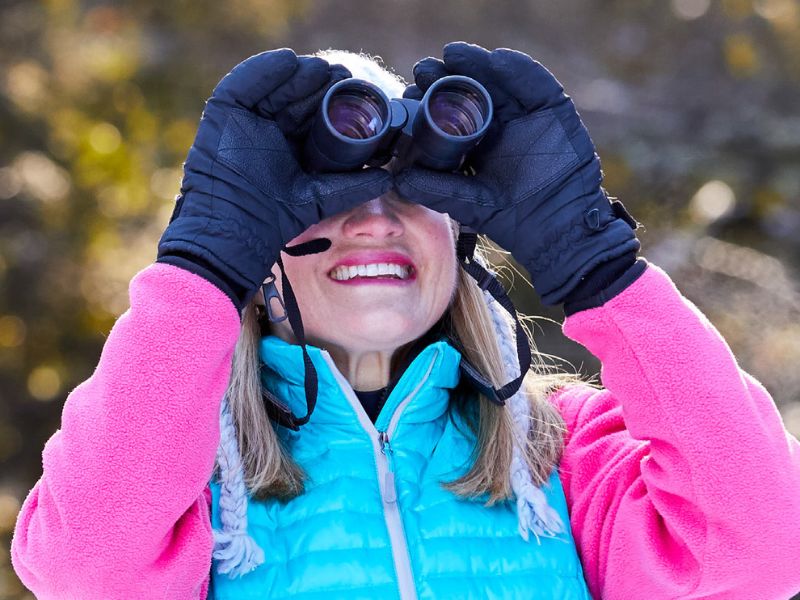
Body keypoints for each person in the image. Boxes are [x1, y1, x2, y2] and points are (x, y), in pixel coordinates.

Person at [10, 42, 800, 600]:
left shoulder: (566, 456)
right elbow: (87, 572)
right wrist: (200, 269)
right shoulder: (185, 482)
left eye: (411, 189)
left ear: (459, 233)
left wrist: (601, 268)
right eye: (331, 190)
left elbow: (765, 546)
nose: (374, 219)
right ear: (259, 245)